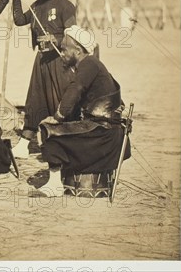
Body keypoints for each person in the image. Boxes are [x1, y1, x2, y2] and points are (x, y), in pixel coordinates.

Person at [36, 26, 131, 197]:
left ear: (78, 51)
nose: (61, 53)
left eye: (65, 49)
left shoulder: (89, 64)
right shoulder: (91, 65)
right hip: (105, 133)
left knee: (48, 131)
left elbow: (75, 90)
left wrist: (58, 117)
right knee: (56, 128)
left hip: (104, 136)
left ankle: (55, 184)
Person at [9, 0, 76, 159]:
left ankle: (68, 144)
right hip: (41, 61)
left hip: (60, 61)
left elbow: (73, 35)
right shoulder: (37, 5)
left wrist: (54, 40)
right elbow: (19, 20)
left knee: (61, 101)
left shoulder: (65, 5)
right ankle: (23, 146)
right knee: (35, 101)